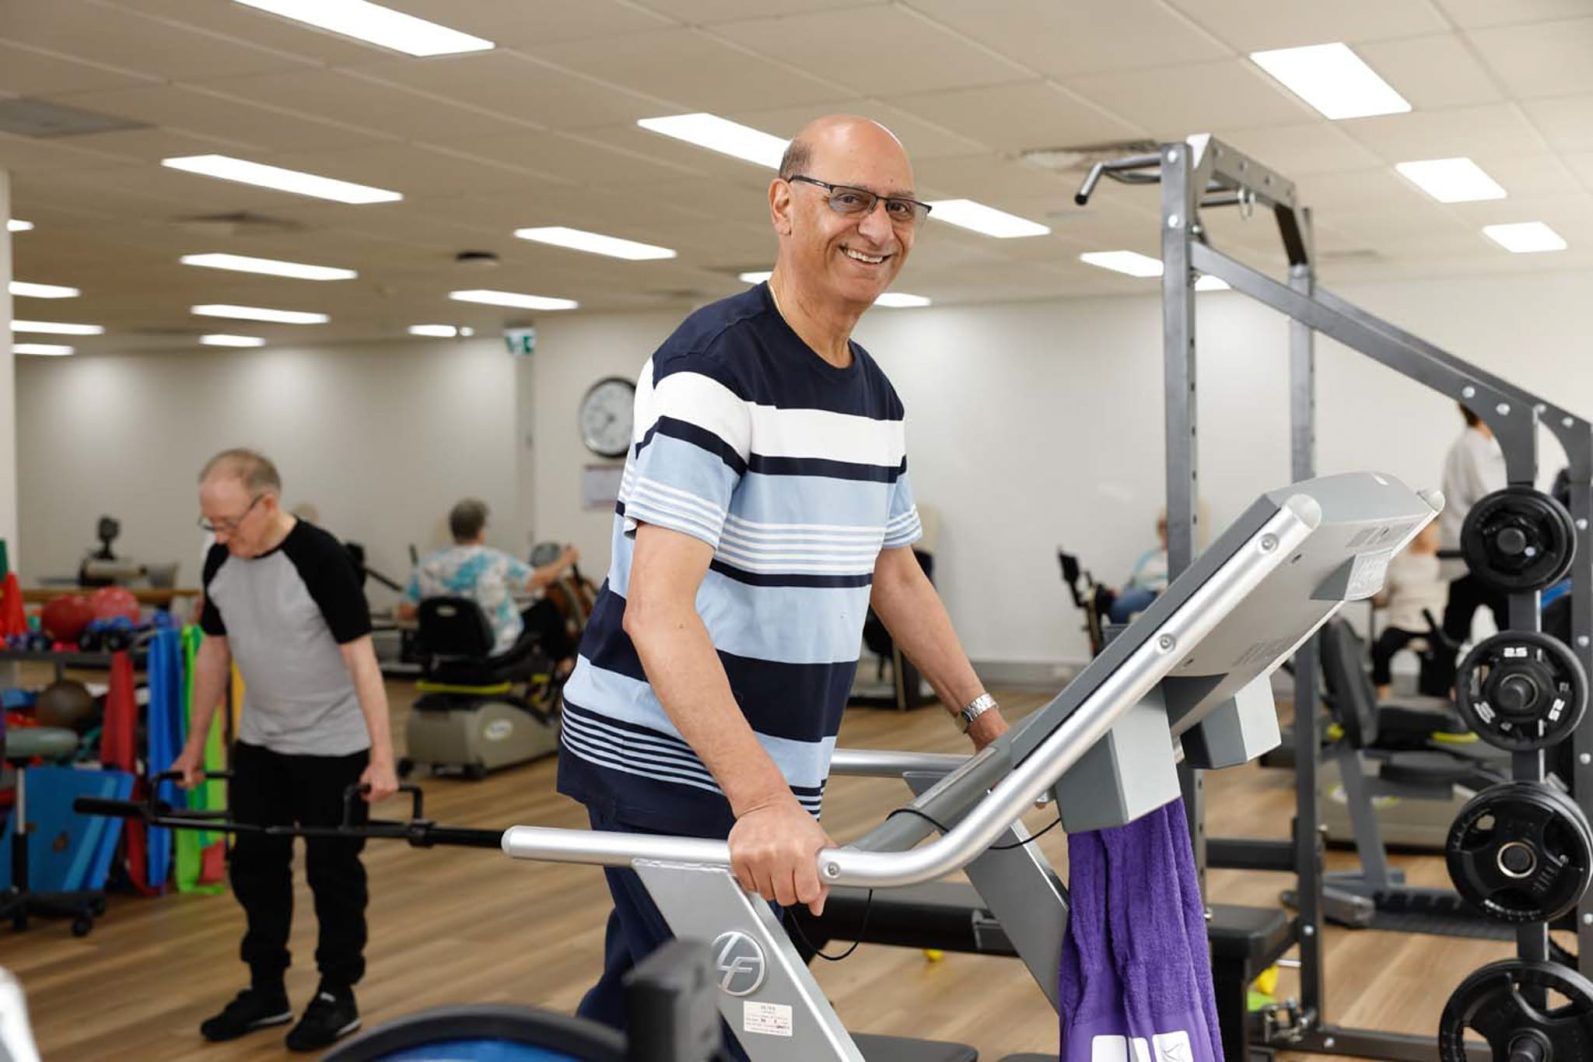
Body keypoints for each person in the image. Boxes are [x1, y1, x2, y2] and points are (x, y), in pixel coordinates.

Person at [553, 115, 1010, 1055]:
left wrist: (987, 722)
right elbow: (658, 608)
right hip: (665, 758)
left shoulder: (872, 393)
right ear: (783, 205)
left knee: (651, 998)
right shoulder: (714, 367)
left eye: (898, 207)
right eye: (848, 199)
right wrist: (759, 801)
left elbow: (896, 574)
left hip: (762, 765)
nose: (877, 229)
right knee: (745, 1018)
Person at [169, 448, 398, 1053]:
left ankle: (335, 993)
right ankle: (266, 988)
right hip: (262, 743)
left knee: (333, 873)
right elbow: (214, 653)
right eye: (210, 523)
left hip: (334, 746)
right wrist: (195, 744)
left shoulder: (320, 559)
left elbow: (361, 660)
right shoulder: (220, 561)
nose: (219, 535)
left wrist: (383, 755)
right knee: (256, 871)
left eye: (229, 522)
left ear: (266, 503)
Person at [397, 499, 579, 676]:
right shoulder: (494, 561)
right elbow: (539, 579)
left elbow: (405, 612)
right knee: (546, 609)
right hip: (493, 649)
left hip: (444, 651)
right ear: (480, 530)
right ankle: (565, 666)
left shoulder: (426, 565)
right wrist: (567, 559)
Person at [1435, 403, 1508, 688]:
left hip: (1468, 550)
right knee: (1508, 620)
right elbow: (1488, 496)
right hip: (1473, 553)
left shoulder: (1472, 445)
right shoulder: (1473, 445)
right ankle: (1445, 689)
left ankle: (1440, 687)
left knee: (1456, 624)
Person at [1370, 521, 1447, 698]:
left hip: (1433, 623)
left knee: (1444, 653)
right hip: (1401, 621)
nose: (1424, 533)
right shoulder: (1399, 559)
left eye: (1428, 528)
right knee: (1381, 649)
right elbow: (1384, 595)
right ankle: (1383, 695)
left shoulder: (1444, 560)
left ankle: (1437, 696)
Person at [1099, 511, 1169, 625]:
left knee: (1119, 607)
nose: (1165, 531)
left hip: (1155, 593)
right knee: (1104, 600)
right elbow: (1133, 579)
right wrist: (1120, 591)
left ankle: (1121, 638)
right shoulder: (1148, 556)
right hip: (1136, 590)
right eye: (1162, 527)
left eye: (1168, 527)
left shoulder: (1179, 557)